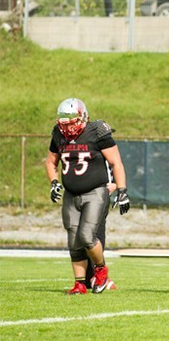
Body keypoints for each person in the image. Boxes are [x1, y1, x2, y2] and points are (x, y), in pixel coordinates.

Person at [45, 98, 129, 295]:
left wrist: (122, 190)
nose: (68, 128)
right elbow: (51, 162)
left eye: (72, 123)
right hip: (70, 194)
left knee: (87, 235)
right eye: (65, 124)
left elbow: (116, 162)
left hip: (95, 191)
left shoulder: (97, 131)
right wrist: (54, 182)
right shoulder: (58, 134)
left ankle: (101, 271)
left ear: (83, 117)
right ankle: (80, 283)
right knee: (74, 241)